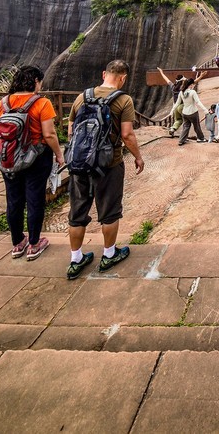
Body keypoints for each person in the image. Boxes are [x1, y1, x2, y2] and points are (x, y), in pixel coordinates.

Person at [66, 59, 144, 278]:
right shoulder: (123, 100)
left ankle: (76, 259)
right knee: (109, 211)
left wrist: (81, 152)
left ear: (104, 74)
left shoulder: (83, 96)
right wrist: (138, 157)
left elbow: (71, 128)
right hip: (109, 164)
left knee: (78, 212)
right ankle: (109, 254)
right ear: (123, 78)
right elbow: (127, 134)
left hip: (80, 164)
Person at [0, 66, 64, 261]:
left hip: (8, 158)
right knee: (34, 200)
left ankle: (17, 244)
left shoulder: (2, 104)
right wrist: (59, 154)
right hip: (36, 159)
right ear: (36, 81)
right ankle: (34, 244)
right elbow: (49, 134)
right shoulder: (42, 103)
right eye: (40, 82)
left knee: (13, 201)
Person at [176, 79, 209, 145]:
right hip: (193, 112)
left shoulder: (181, 92)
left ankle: (181, 140)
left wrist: (172, 111)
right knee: (196, 126)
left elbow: (177, 103)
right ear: (191, 85)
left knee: (186, 126)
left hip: (184, 113)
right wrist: (205, 109)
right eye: (193, 84)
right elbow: (198, 102)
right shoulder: (193, 92)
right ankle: (200, 138)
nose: (194, 85)